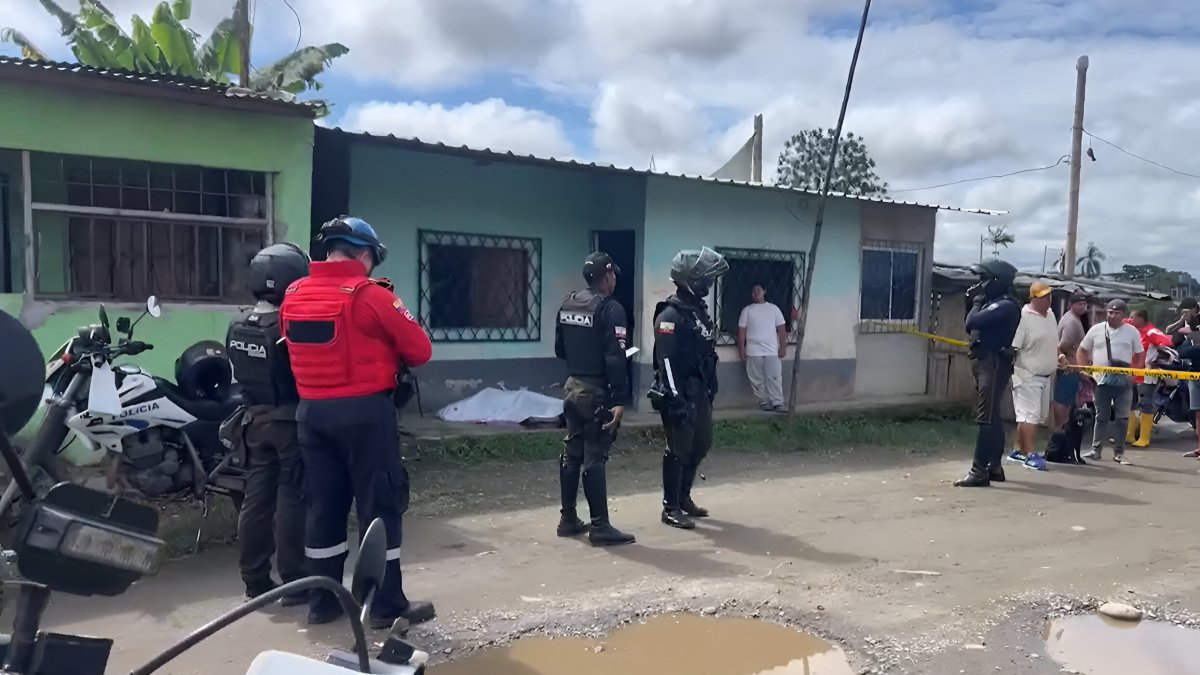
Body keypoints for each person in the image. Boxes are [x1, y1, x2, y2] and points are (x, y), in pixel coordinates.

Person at [281, 216, 435, 628]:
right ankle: (385, 605)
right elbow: (419, 350)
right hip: (366, 414)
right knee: (379, 506)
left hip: (311, 414)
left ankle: (323, 602)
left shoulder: (293, 293)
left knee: (323, 508)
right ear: (365, 255)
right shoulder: (371, 296)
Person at [225, 243, 311, 606]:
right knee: (292, 500)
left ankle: (255, 581)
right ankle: (295, 583)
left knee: (256, 502)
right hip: (289, 423)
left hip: (254, 423)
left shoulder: (238, 325)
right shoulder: (287, 327)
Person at [553, 252, 636, 546]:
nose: (615, 281)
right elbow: (615, 357)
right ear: (608, 276)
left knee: (572, 452)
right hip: (596, 391)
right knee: (594, 456)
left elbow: (560, 349)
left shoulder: (568, 302)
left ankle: (568, 518)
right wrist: (619, 399)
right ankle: (600, 526)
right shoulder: (611, 309)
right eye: (614, 275)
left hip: (572, 387)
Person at [650, 247, 729, 528]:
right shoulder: (670, 315)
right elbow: (666, 361)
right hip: (678, 392)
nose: (709, 285)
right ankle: (669, 507)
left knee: (701, 444)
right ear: (690, 280)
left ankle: (684, 497)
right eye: (705, 280)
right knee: (678, 448)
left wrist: (709, 387)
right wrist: (676, 399)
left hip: (699, 390)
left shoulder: (696, 311)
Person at [954, 259, 1020, 488]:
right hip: (984, 362)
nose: (978, 285)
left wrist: (976, 302)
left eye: (983, 280)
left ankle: (978, 471)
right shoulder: (993, 302)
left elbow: (971, 323)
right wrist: (972, 302)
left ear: (997, 281)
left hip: (993, 364)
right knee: (992, 417)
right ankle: (994, 466)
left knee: (986, 418)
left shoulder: (1005, 305)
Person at [1077, 299, 1144, 465]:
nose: (1112, 316)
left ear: (1124, 315)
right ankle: (1095, 450)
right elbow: (1082, 349)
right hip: (1100, 379)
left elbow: (1140, 354)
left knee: (1122, 418)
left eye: (1116, 313)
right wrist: (1083, 369)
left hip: (1124, 380)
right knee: (1101, 416)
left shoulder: (1131, 332)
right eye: (1110, 312)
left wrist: (1134, 373)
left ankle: (1119, 453)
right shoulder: (1096, 330)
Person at [1006, 282, 1063, 468]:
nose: (1048, 300)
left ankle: (1017, 450)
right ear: (1033, 298)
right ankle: (1030, 454)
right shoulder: (1023, 318)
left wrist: (1059, 355)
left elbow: (1053, 340)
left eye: (1049, 296)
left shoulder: (1051, 315)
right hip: (1027, 374)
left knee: (1031, 416)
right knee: (1030, 416)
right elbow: (1014, 347)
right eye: (1043, 296)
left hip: (1046, 375)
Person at [737, 284, 788, 412]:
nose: (755, 293)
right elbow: (741, 332)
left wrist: (783, 347)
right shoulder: (747, 310)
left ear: (764, 291)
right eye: (753, 291)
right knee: (757, 378)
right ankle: (764, 401)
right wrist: (742, 351)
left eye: (758, 290)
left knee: (775, 376)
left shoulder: (773, 309)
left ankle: (778, 402)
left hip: (771, 350)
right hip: (753, 351)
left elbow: (781, 329)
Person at [1125, 309, 1172, 448]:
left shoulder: (1151, 332)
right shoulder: (1134, 330)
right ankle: (1129, 434)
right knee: (1130, 404)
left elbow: (1167, 342)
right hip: (1133, 372)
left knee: (1146, 404)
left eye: (1133, 317)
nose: (1130, 319)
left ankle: (1145, 438)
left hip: (1146, 375)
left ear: (1141, 318)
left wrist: (1157, 357)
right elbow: (1122, 320)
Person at [1166, 298, 1200, 457]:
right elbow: (1170, 335)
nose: (1185, 312)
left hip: (1192, 366)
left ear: (1195, 309)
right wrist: (1181, 321)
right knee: (1197, 412)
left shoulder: (1196, 323)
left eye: (1188, 310)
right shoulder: (1181, 323)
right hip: (1189, 370)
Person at [1052, 293, 1090, 429]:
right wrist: (1064, 358)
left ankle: (1062, 427)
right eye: (1079, 304)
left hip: (1072, 367)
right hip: (1069, 368)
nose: (1082, 306)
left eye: (1084, 304)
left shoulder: (1074, 318)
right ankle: (1061, 427)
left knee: (1066, 399)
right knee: (1063, 399)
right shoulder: (1072, 321)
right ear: (1070, 305)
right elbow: (1063, 345)